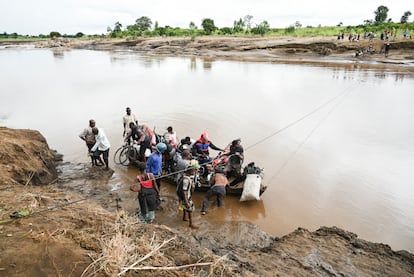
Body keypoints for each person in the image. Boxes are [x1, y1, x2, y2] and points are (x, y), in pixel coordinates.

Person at [177, 160, 200, 228]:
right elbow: (184, 191)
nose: (197, 171)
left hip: (183, 196)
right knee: (190, 209)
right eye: (196, 170)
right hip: (186, 196)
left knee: (184, 207)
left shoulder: (185, 176)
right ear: (192, 170)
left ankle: (184, 217)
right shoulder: (186, 180)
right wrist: (187, 201)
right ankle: (191, 224)